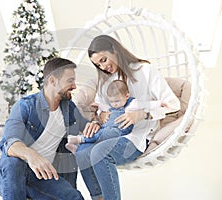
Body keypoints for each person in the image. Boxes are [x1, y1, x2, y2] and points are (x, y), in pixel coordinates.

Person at [74, 35, 180, 200]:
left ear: (114, 50)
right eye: (98, 64)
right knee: (81, 152)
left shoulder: (145, 70)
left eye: (103, 59)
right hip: (109, 131)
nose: (103, 66)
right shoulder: (105, 80)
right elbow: (100, 108)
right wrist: (96, 121)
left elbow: (174, 104)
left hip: (137, 137)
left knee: (99, 153)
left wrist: (142, 114)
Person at [0, 58, 100, 200]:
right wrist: (32, 156)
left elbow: (88, 128)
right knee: (14, 163)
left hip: (42, 176)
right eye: (70, 80)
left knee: (74, 197)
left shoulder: (68, 108)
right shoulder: (25, 106)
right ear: (53, 81)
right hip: (12, 174)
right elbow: (9, 143)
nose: (74, 86)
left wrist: (95, 123)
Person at [66, 80, 168, 154]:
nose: (114, 104)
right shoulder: (112, 106)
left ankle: (79, 140)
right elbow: (105, 107)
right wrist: (98, 105)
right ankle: (78, 148)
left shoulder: (133, 104)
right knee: (98, 133)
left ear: (126, 96)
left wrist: (159, 104)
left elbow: (146, 104)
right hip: (107, 127)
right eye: (112, 101)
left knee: (102, 136)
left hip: (119, 130)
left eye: (117, 101)